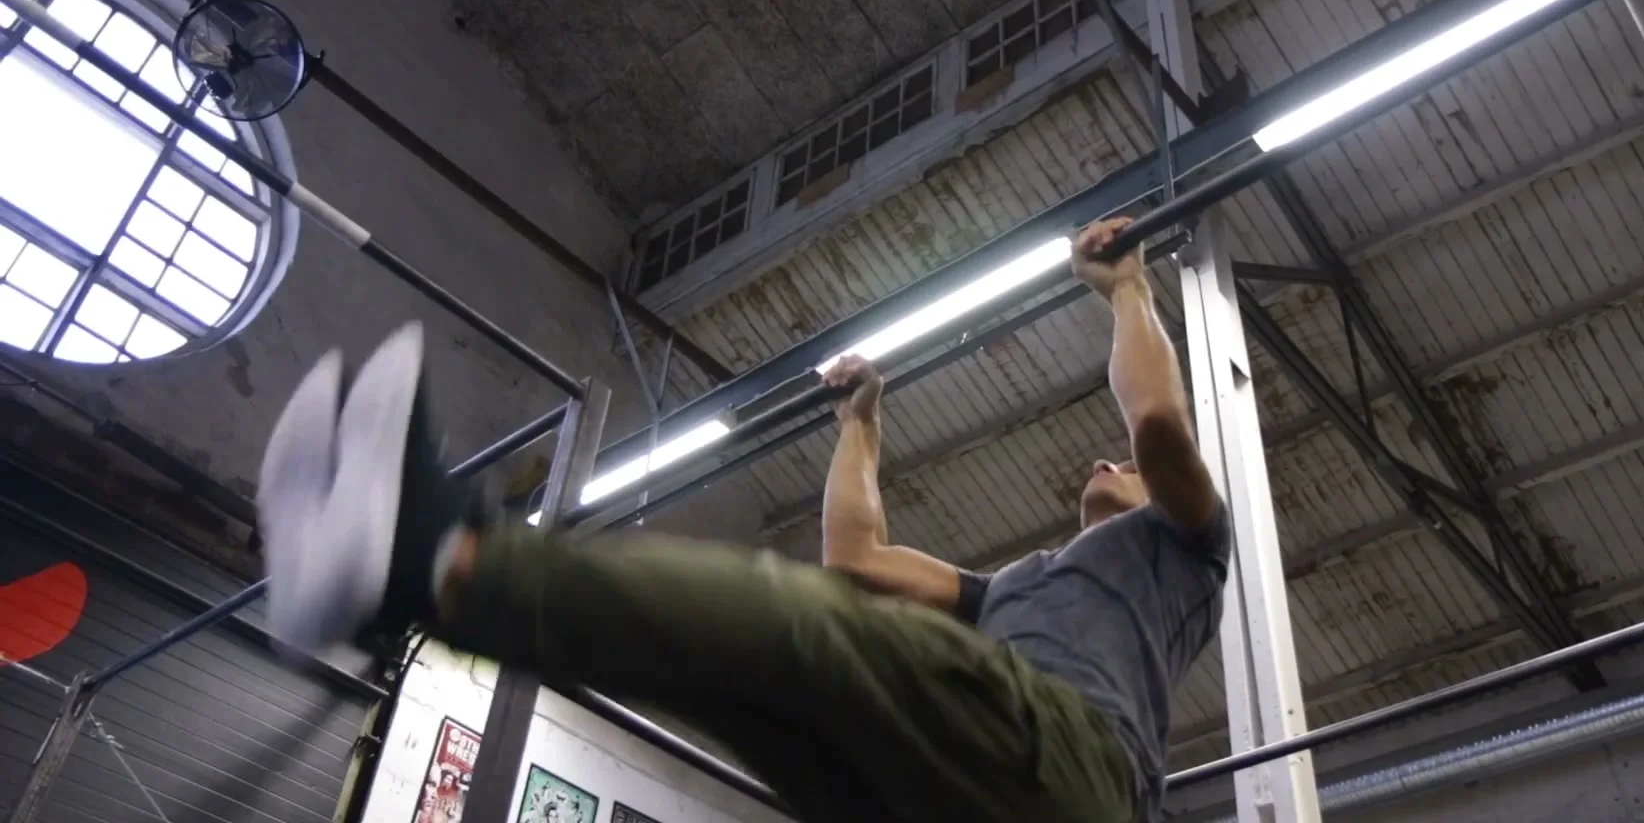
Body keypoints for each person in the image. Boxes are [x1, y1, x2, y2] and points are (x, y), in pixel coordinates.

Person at [256, 218, 1230, 822]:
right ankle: (403, 594)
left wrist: (1130, 289)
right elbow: (857, 556)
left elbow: (1154, 425)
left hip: (1077, 779)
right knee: (745, 674)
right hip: (986, 788)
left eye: (1124, 473)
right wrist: (862, 423)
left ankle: (433, 556)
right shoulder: (1013, 592)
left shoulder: (1189, 546)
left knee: (803, 631)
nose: (1103, 464)